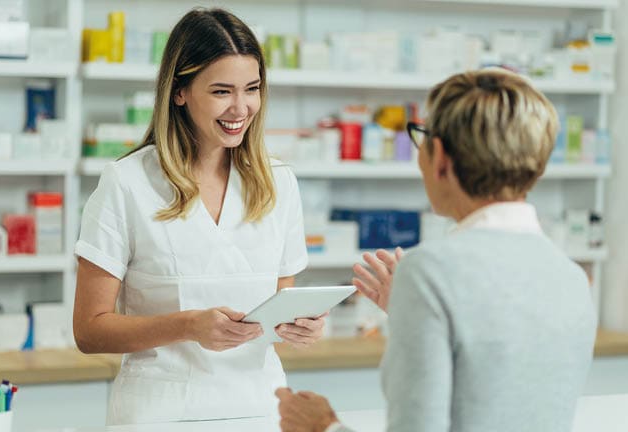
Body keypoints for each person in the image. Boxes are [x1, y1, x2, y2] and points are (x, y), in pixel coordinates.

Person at [276, 69, 597, 432]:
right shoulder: (572, 278)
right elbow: (499, 390)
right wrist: (412, 311)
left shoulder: (431, 271)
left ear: (440, 156)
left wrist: (323, 426)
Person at [73, 8, 325, 425]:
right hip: (160, 415)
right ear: (180, 92)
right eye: (222, 91)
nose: (241, 107)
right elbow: (89, 330)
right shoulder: (127, 182)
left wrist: (301, 326)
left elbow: (280, 306)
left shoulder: (279, 183)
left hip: (260, 409)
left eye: (253, 88)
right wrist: (188, 326)